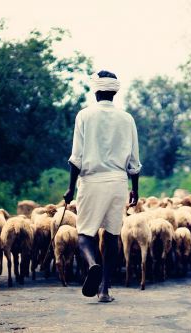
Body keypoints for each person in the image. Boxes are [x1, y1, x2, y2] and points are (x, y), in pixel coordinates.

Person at [63, 70, 141, 303]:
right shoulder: (127, 119)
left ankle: (92, 263)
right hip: (118, 181)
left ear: (95, 89)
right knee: (112, 236)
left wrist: (70, 187)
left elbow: (76, 156)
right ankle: (104, 289)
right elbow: (134, 161)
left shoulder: (84, 116)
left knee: (84, 234)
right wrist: (135, 189)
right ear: (114, 91)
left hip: (91, 180)